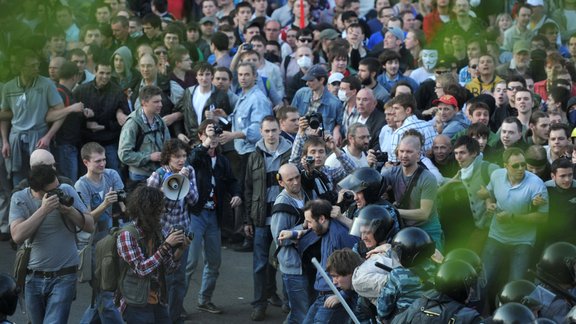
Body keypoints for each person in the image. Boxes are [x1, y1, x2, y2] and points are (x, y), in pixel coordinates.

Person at [10, 165, 94, 324]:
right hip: (32, 277)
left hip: (64, 275)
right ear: (38, 191)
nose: (58, 191)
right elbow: (17, 236)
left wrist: (69, 211)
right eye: (53, 191)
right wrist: (43, 210)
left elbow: (90, 225)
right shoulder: (20, 198)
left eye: (58, 186)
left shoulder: (67, 190)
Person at [184, 120, 242, 315]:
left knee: (214, 261)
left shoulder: (223, 160)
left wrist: (236, 194)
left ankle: (205, 299)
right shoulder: (197, 156)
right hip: (195, 214)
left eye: (217, 134)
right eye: (210, 133)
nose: (215, 137)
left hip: (213, 215)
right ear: (201, 136)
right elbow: (190, 161)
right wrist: (206, 142)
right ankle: (176, 304)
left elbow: (233, 181)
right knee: (189, 262)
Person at [482, 147, 549, 308]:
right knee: (483, 281)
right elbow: (489, 194)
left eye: (523, 165)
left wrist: (512, 217)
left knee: (515, 286)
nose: (521, 169)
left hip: (522, 241)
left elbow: (543, 218)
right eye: (516, 166)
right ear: (505, 166)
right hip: (496, 236)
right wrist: (489, 205)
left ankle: (512, 316)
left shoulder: (536, 184)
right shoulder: (497, 175)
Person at [116, 186, 191, 323]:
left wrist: (180, 250)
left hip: (156, 299)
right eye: (159, 209)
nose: (163, 211)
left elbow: (168, 268)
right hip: (136, 302)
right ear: (148, 210)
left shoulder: (155, 231)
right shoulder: (127, 235)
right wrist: (166, 246)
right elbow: (141, 270)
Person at [146, 138, 199, 323]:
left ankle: (175, 316)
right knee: (163, 279)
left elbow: (194, 200)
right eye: (177, 156)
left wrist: (185, 181)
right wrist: (170, 184)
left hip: (182, 231)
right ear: (168, 157)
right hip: (162, 234)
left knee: (179, 279)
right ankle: (162, 316)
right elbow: (147, 206)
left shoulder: (189, 171)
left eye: (184, 156)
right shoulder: (158, 175)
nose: (181, 160)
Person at [244, 116, 292, 321]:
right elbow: (247, 189)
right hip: (262, 219)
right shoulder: (254, 156)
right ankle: (259, 304)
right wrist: (247, 220)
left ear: (280, 130)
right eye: (267, 131)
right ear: (261, 132)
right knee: (260, 264)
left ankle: (289, 304)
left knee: (287, 262)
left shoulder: (290, 153)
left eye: (274, 130)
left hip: (284, 218)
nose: (271, 135)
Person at [76, 142, 125, 324]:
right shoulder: (81, 185)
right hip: (92, 244)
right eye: (98, 161)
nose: (103, 164)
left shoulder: (111, 175)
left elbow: (123, 201)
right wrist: (104, 204)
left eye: (104, 159)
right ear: (86, 162)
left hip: (110, 239)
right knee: (106, 294)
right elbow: (86, 220)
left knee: (102, 294)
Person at [1, 50, 65, 186]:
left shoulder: (46, 84)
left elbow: (62, 112)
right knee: (18, 177)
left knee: (42, 175)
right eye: (32, 66)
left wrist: (48, 136)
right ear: (21, 67)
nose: (36, 68)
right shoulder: (9, 87)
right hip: (16, 138)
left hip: (38, 136)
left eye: (37, 64)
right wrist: (5, 141)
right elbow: (5, 116)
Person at [381, 134, 444, 250]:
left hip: (427, 229)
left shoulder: (428, 178)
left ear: (418, 155)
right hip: (404, 229)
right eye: (401, 151)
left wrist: (393, 211)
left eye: (409, 152)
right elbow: (371, 186)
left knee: (431, 265)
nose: (404, 155)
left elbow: (424, 213)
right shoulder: (391, 173)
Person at [302, 199, 359, 324]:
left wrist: (343, 295)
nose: (308, 226)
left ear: (322, 219)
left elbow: (355, 269)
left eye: (310, 222)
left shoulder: (340, 235)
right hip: (322, 295)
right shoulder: (323, 230)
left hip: (334, 296)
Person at [73, 60, 131, 173]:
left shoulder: (117, 92)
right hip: (87, 142)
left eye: (108, 73)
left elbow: (126, 121)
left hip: (109, 142)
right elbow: (72, 117)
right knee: (86, 177)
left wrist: (105, 126)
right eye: (102, 73)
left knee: (114, 174)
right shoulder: (81, 90)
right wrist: (85, 122)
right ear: (95, 72)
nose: (105, 76)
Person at [272, 163, 311, 324]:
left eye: (297, 177)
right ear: (281, 182)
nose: (295, 182)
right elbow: (279, 237)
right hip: (293, 266)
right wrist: (302, 227)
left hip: (306, 262)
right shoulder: (282, 204)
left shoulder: (305, 194)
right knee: (300, 314)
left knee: (302, 312)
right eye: (290, 180)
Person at [392, 260, 483, 323]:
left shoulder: (419, 303)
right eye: (470, 287)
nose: (472, 291)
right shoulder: (468, 317)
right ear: (458, 287)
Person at [377, 227, 437, 321]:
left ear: (407, 255)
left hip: (406, 318)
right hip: (431, 316)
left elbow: (383, 309)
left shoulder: (397, 275)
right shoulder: (435, 268)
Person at [118, 85, 171, 183]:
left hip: (159, 173)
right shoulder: (132, 123)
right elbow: (124, 155)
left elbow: (168, 145)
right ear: (144, 102)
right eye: (156, 102)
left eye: (160, 101)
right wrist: (149, 157)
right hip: (139, 175)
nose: (160, 104)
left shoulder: (160, 121)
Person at [324, 249, 364, 319]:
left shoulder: (368, 290)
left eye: (336, 276)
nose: (334, 282)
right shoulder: (351, 290)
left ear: (350, 272)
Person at [545, 158, 576, 244]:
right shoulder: (545, 188)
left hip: (572, 237)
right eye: (562, 176)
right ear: (553, 176)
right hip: (551, 236)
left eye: (570, 175)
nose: (567, 179)